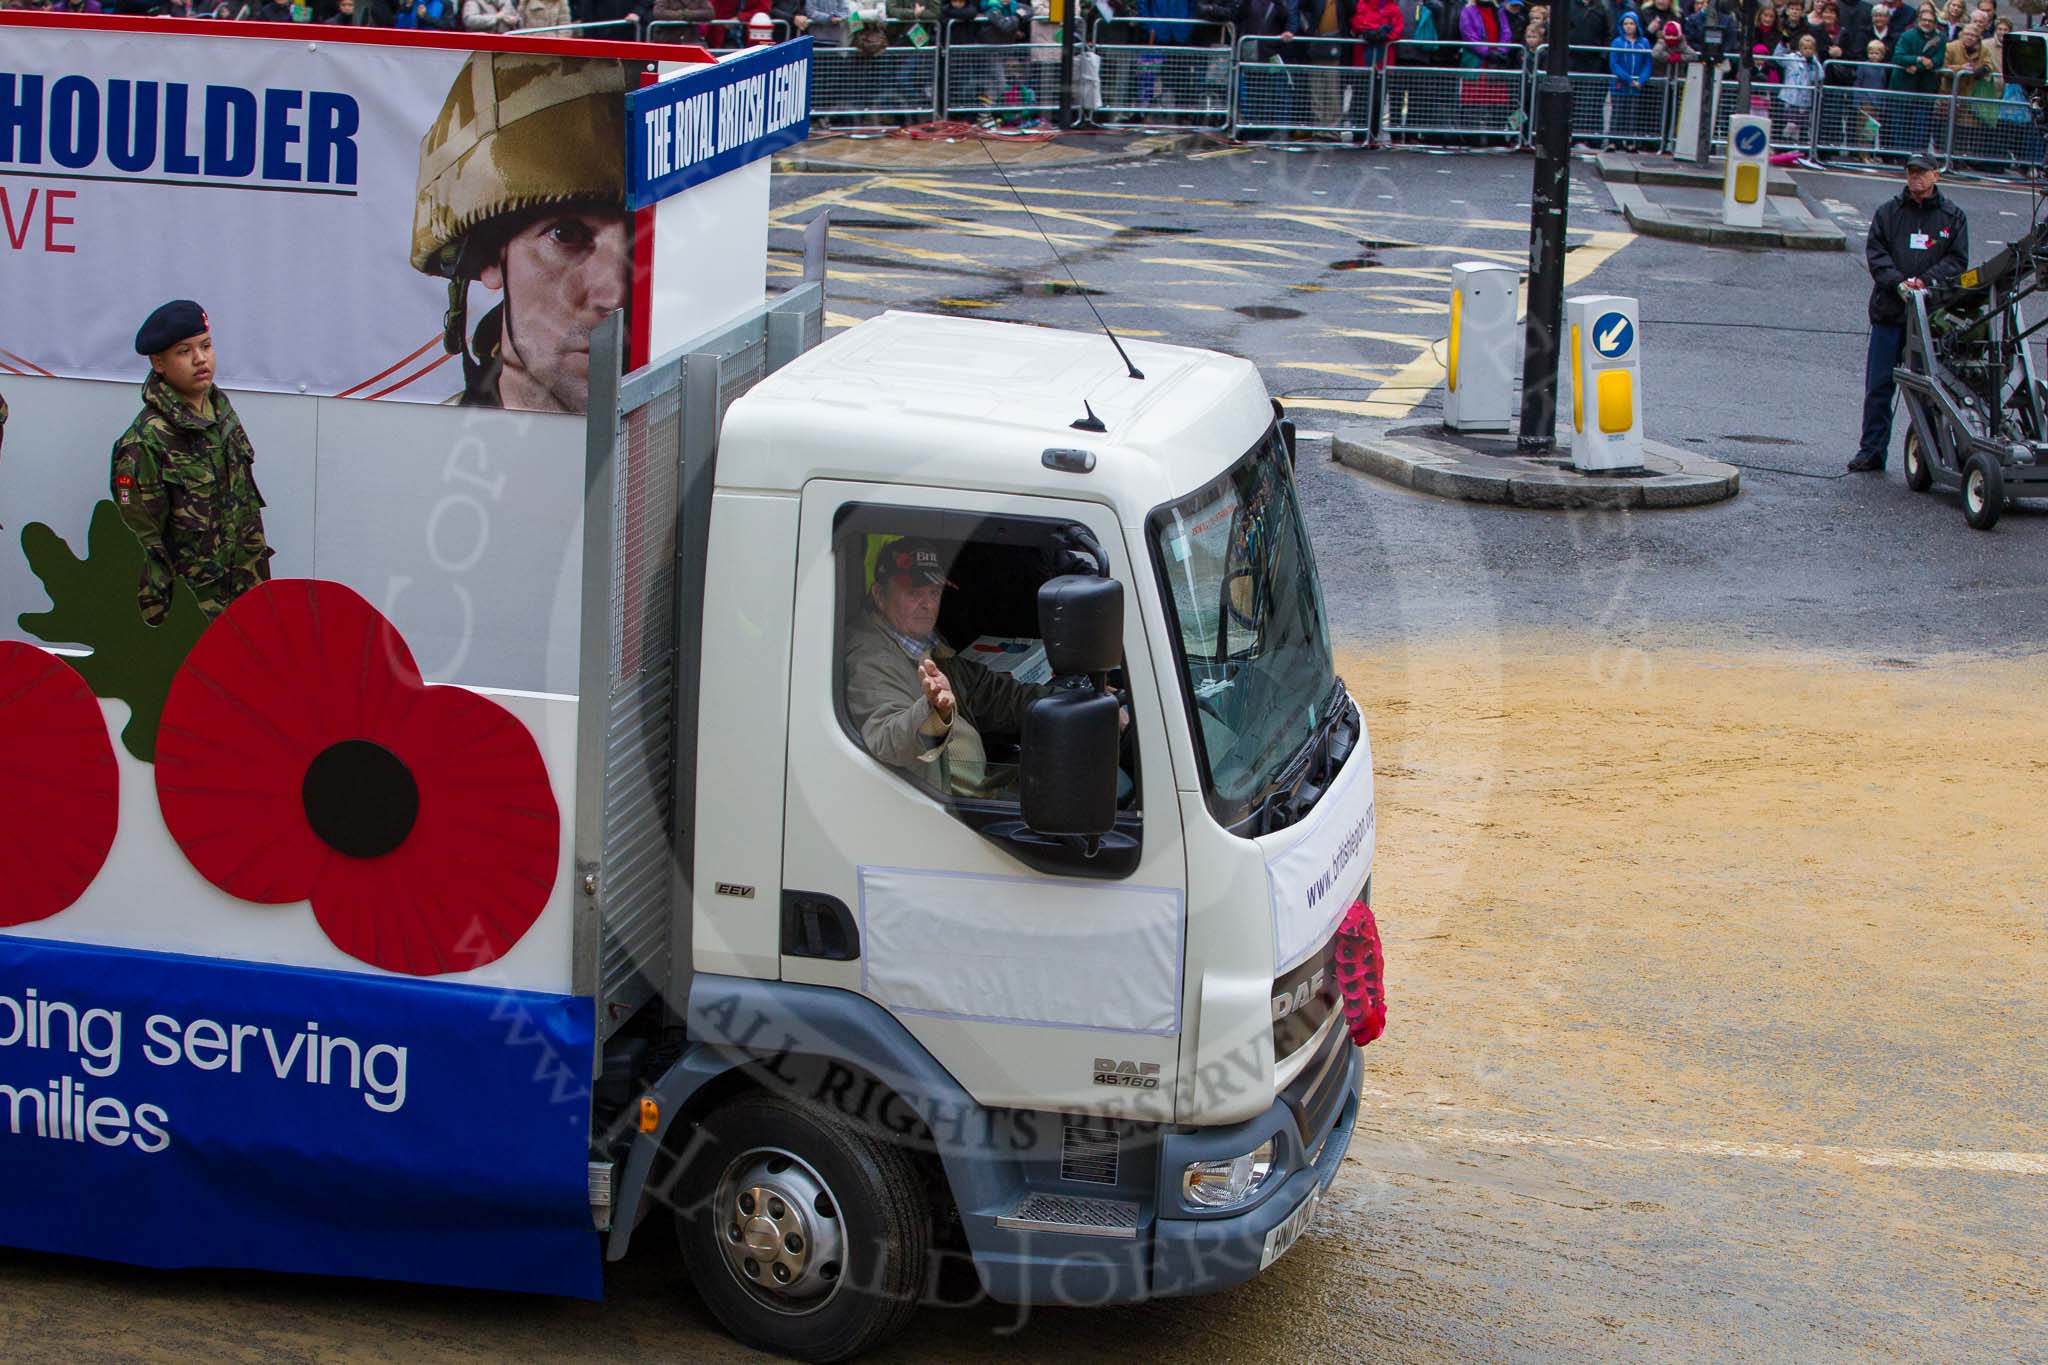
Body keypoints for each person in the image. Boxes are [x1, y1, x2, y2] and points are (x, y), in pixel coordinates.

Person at [411, 52, 631, 413]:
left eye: (645, 240)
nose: (614, 295)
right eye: (566, 234)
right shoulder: (428, 452)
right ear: (488, 260)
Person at [844, 539, 1050, 799]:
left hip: (977, 796)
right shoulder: (871, 660)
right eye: (914, 593)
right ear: (879, 595)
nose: (927, 604)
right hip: (952, 815)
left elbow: (994, 694)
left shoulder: (923, 644)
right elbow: (887, 738)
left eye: (935, 592)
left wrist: (1070, 701)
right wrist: (934, 712)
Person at [110, 301, 272, 625]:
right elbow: (145, 545)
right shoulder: (144, 444)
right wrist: (162, 622)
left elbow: (244, 515)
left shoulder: (221, 416)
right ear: (159, 362)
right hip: (189, 615)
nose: (201, 359)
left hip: (244, 600)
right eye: (184, 351)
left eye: (206, 346)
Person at [1850, 154, 1968, 471]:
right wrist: (1899, 282)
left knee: (1931, 391)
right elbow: (1876, 254)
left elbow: (1957, 261)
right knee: (1878, 387)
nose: (1915, 178)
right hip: (1890, 312)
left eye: (1921, 172)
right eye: (1911, 172)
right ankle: (1871, 451)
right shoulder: (1888, 213)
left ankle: (1932, 456)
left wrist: (1925, 281)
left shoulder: (1952, 216)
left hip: (1930, 317)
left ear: (1935, 176)